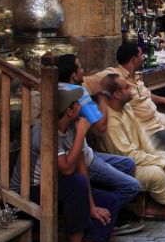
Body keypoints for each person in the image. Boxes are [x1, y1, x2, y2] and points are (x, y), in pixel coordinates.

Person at [11, 86, 122, 242]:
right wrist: (81, 134)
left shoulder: (71, 127)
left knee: (109, 200)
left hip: (57, 186)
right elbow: (68, 169)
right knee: (75, 184)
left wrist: (92, 206)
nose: (80, 105)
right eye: (76, 103)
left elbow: (81, 169)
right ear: (69, 111)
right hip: (30, 190)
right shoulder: (45, 132)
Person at [96, 74, 165, 221]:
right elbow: (128, 156)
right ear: (117, 94)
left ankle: (158, 203)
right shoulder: (111, 120)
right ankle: (160, 206)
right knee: (157, 173)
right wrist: (164, 162)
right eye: (126, 87)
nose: (131, 89)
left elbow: (142, 139)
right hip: (123, 166)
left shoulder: (126, 107)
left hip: (137, 156)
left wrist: (162, 158)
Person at [86, 42, 165, 160]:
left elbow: (144, 94)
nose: (143, 58)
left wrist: (164, 100)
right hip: (148, 129)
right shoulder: (114, 74)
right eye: (141, 55)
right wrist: (101, 97)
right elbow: (85, 83)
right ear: (134, 59)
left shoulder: (136, 76)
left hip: (159, 119)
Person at [55, 53, 142, 210]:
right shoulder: (77, 92)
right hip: (83, 158)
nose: (84, 70)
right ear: (74, 75)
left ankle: (107, 205)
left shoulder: (58, 88)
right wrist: (103, 97)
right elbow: (101, 127)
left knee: (128, 164)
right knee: (132, 187)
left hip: (84, 153)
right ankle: (104, 214)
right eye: (80, 67)